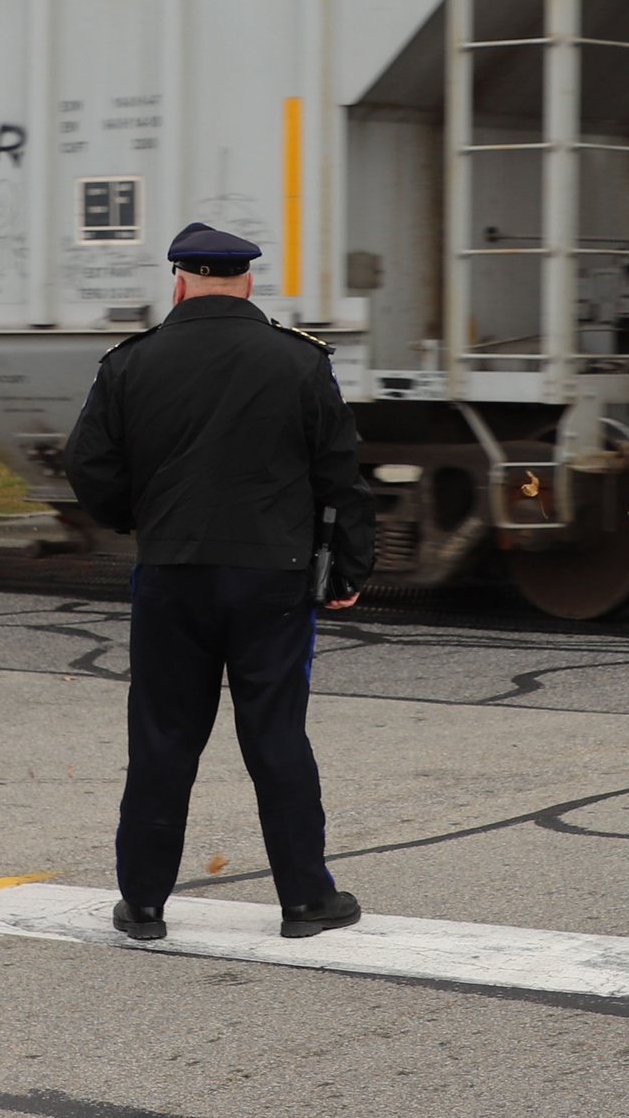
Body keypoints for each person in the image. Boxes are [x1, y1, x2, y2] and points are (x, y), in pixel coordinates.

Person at [60, 222, 376, 946]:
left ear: (178, 281)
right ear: (248, 282)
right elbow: (340, 474)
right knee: (275, 736)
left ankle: (142, 905)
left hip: (171, 574)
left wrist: (140, 520)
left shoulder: (130, 363)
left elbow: (90, 467)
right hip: (274, 578)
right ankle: (304, 901)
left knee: (163, 736)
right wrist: (349, 569)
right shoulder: (297, 361)